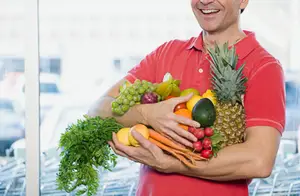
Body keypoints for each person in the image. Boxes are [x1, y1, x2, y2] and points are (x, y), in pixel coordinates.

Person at [88, 0, 286, 195]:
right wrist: (147, 114)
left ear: (243, 1)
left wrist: (173, 164)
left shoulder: (264, 67)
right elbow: (97, 110)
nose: (205, 1)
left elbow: (259, 160)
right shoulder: (166, 53)